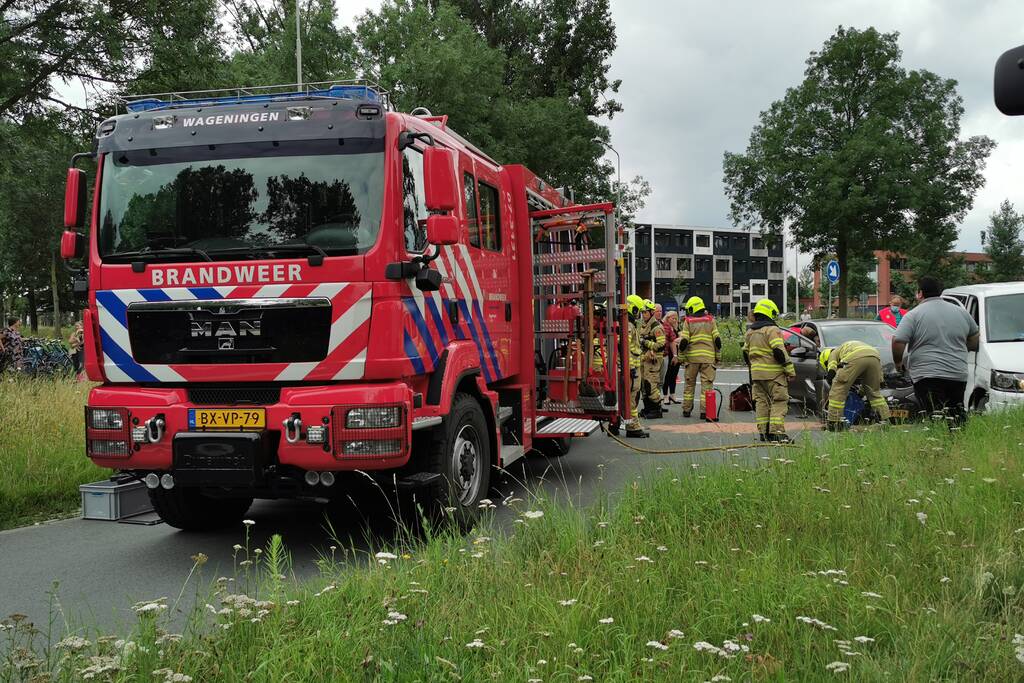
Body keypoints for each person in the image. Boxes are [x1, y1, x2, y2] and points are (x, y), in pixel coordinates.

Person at [892, 276, 978, 429]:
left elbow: (898, 341)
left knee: (933, 415)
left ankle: (938, 447)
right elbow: (975, 338)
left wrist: (898, 363)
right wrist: (963, 347)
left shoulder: (913, 315)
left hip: (927, 375)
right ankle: (959, 443)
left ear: (920, 293)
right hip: (957, 373)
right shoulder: (961, 312)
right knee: (956, 412)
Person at [743, 299, 795, 443]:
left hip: (757, 375)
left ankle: (764, 433)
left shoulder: (750, 332)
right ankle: (777, 433)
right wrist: (790, 370)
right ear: (769, 313)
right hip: (774, 375)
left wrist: (753, 369)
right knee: (779, 400)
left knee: (761, 402)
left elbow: (745, 353)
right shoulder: (772, 330)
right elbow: (779, 351)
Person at [819, 342, 891, 430]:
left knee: (837, 390)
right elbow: (866, 384)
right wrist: (860, 393)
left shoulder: (833, 353)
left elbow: (832, 368)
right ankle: (885, 419)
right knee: (873, 392)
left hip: (855, 357)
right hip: (874, 357)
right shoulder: (847, 347)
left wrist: (831, 378)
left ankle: (834, 422)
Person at [678, 296, 721, 420]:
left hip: (692, 359)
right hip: (708, 359)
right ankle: (705, 411)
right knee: (707, 386)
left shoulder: (688, 321)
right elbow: (717, 340)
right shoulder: (710, 320)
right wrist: (717, 356)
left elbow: (684, 341)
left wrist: (681, 357)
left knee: (689, 385)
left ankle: (686, 410)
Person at [621, 295, 648, 437]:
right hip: (632, 369)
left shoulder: (629, 324)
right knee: (632, 397)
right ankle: (633, 427)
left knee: (629, 397)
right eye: (639, 311)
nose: (639, 314)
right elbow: (625, 348)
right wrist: (630, 368)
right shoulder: (629, 326)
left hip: (632, 368)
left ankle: (619, 425)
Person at [638, 299, 666, 418]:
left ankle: (656, 410)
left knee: (651, 385)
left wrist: (645, 342)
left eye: (645, 312)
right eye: (642, 312)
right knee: (644, 386)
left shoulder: (656, 327)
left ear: (651, 312)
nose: (643, 314)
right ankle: (647, 408)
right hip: (644, 359)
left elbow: (660, 345)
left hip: (654, 360)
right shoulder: (643, 325)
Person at [661, 310, 681, 403]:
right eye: (673, 318)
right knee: (667, 375)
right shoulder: (665, 326)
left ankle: (672, 394)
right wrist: (676, 340)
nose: (674, 320)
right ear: (667, 318)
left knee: (674, 375)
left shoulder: (677, 328)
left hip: (676, 353)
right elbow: (666, 340)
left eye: (676, 319)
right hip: (668, 353)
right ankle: (665, 396)